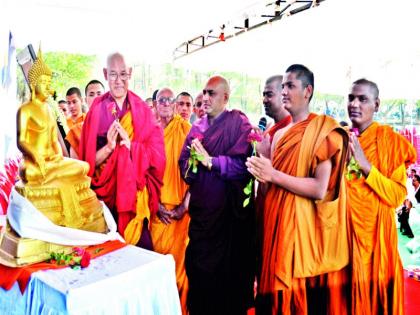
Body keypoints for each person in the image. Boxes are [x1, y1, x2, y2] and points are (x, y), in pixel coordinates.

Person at [246, 64, 350, 314]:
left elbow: (318, 188)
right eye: (282, 86)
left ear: (307, 91)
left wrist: (273, 173)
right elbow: (272, 180)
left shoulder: (322, 130)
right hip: (274, 223)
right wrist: (264, 164)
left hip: (299, 228)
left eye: (290, 85)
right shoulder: (279, 134)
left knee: (293, 298)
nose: (284, 91)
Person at [179, 75, 255, 314]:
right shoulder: (196, 128)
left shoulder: (238, 124)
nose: (205, 97)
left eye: (212, 93)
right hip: (202, 220)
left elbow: (245, 166)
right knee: (199, 275)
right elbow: (184, 168)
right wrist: (191, 163)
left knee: (226, 283)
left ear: (225, 97)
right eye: (204, 92)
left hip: (227, 220)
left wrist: (210, 161)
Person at [80, 52, 165, 249]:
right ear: (105, 74)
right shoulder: (96, 111)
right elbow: (88, 164)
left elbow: (158, 158)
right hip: (105, 202)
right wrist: (110, 147)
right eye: (113, 75)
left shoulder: (142, 110)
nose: (118, 81)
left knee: (141, 250)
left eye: (123, 75)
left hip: (134, 199)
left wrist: (131, 146)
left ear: (130, 74)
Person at [345, 78, 416, 314]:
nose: (355, 104)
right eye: (351, 98)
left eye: (362, 99)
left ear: (376, 105)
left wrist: (367, 167)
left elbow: (397, 196)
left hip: (377, 238)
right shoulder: (337, 140)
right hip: (343, 238)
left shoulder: (391, 142)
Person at [150, 87, 191, 314]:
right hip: (157, 210)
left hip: (180, 212)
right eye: (161, 100)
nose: (165, 103)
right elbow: (144, 173)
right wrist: (154, 204)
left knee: (178, 270)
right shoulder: (149, 132)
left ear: (175, 104)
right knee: (158, 268)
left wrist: (185, 205)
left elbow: (197, 172)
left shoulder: (186, 130)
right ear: (156, 104)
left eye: (169, 100)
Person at [65, 87, 87, 159]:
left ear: (81, 100)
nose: (71, 106)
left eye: (74, 102)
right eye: (68, 103)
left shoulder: (88, 120)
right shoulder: (64, 123)